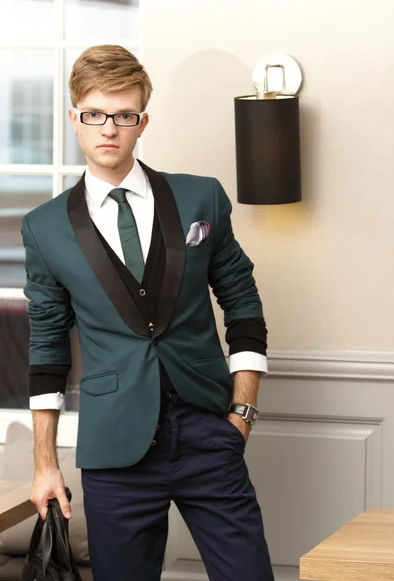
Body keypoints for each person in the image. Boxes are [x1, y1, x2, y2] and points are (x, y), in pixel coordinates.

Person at [22, 44, 274, 581]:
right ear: (75, 118)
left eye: (123, 116)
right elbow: (46, 349)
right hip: (115, 451)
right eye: (94, 114)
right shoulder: (44, 228)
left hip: (210, 432)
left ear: (142, 122)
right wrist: (45, 463)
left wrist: (241, 416)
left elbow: (244, 306)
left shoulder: (201, 199)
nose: (108, 128)